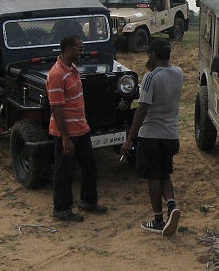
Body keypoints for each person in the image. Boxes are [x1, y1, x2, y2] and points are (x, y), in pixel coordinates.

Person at [122, 38, 184, 235]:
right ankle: (172, 206)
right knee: (164, 174)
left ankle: (157, 219)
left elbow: (142, 109)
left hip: (151, 135)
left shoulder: (151, 77)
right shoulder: (178, 73)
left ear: (153, 55)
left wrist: (131, 137)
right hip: (171, 135)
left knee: (153, 177)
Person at [48, 34, 107, 222]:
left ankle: (88, 201)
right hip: (67, 133)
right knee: (64, 171)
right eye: (79, 49)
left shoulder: (72, 69)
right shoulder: (57, 75)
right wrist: (65, 138)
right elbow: (56, 108)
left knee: (90, 165)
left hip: (81, 129)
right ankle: (62, 209)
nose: (83, 52)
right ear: (67, 49)